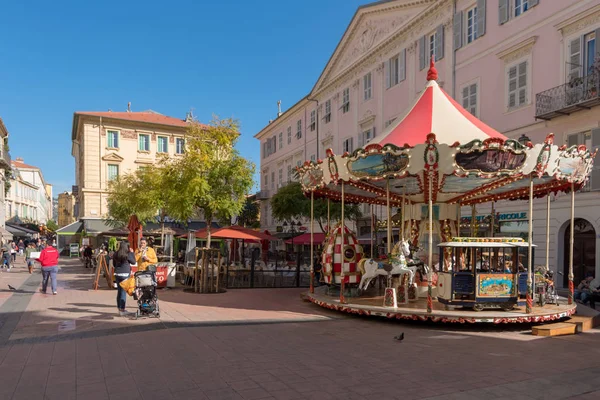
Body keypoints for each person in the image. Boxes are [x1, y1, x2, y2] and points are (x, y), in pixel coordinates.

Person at [113, 240, 136, 316]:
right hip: (125, 274)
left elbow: (113, 264)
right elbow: (133, 262)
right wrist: (132, 253)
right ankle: (122, 310)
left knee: (119, 291)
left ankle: (119, 308)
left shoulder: (116, 253)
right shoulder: (128, 254)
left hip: (117, 273)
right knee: (123, 292)